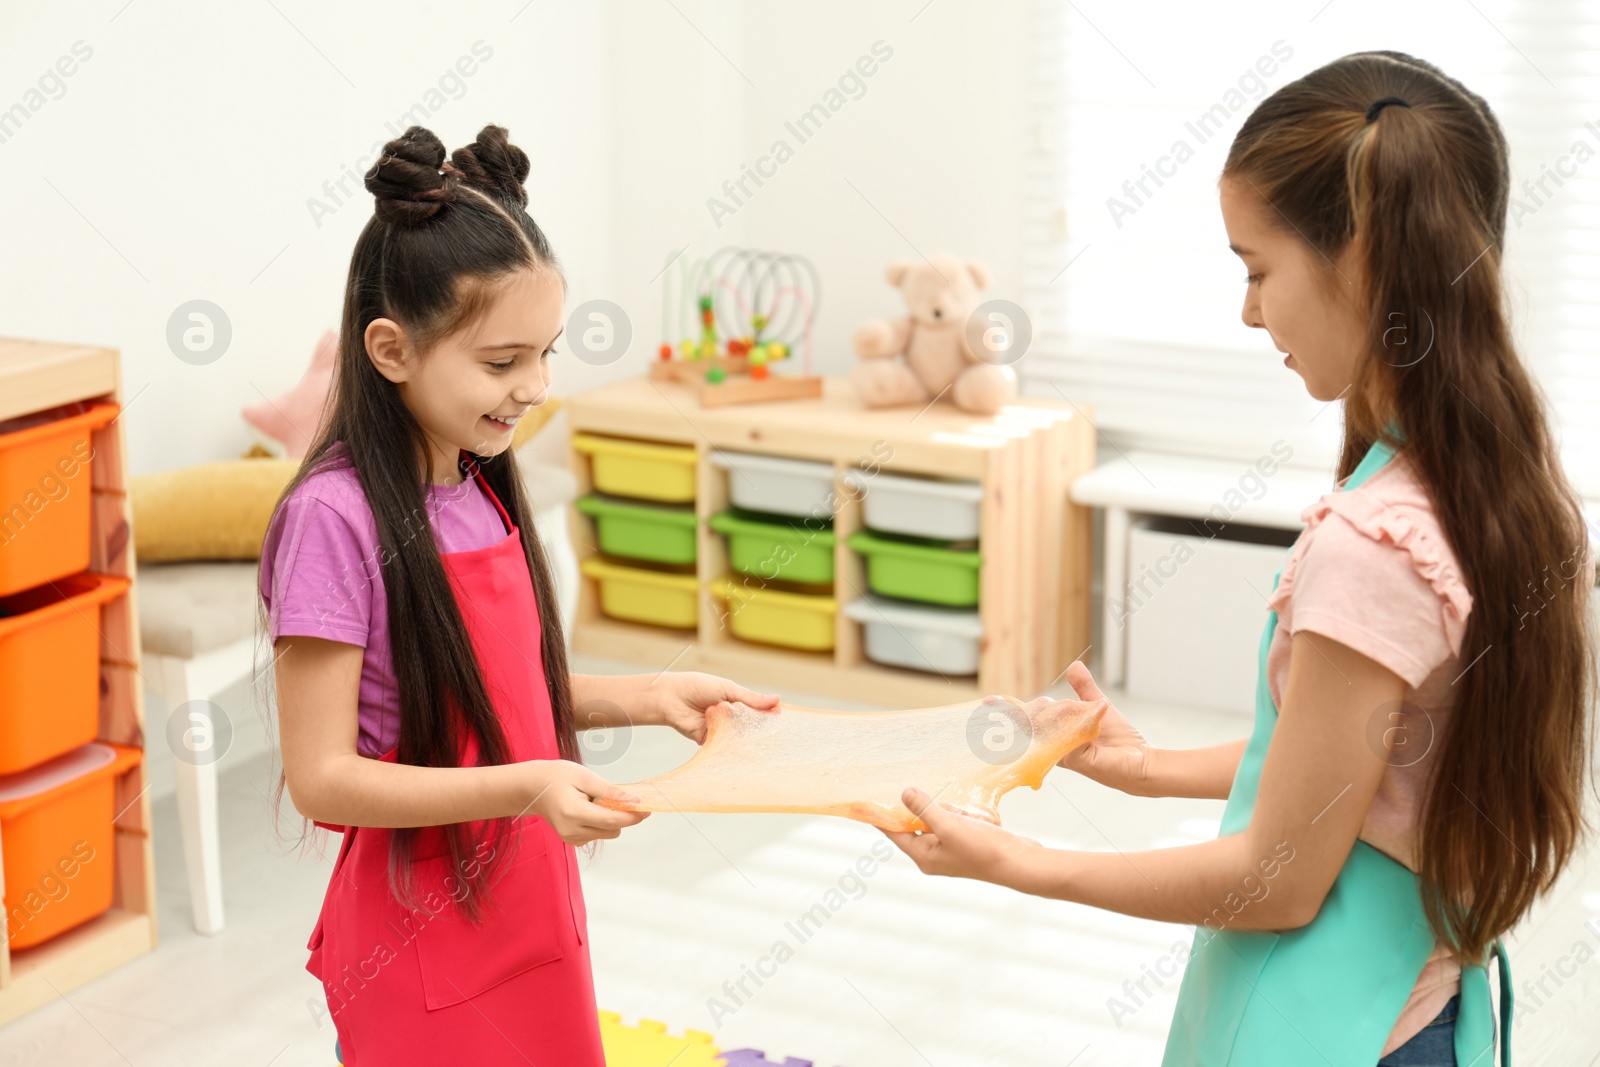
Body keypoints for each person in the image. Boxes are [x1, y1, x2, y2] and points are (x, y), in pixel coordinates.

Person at [884, 51, 1594, 1066]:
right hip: (1425, 1009)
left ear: (1363, 265)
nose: (1250, 312)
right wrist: (1146, 768)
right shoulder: (1493, 491)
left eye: (1256, 268)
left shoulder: (1374, 543)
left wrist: (1018, 863)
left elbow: (1278, 876)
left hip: (1340, 1030)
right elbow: (1367, 759)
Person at [258, 123, 778, 1065]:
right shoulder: (333, 520)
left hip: (525, 891)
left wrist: (646, 696)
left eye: (547, 352)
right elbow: (321, 776)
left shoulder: (476, 476)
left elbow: (486, 694)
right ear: (390, 349)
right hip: (420, 926)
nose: (535, 385)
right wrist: (532, 785)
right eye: (502, 362)